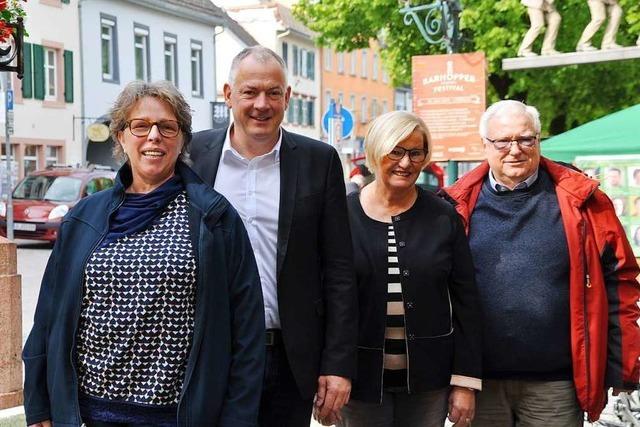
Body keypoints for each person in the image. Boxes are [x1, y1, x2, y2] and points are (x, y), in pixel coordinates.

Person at [22, 81, 265, 427]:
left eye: (168, 127)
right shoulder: (83, 218)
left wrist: (237, 418)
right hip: (87, 415)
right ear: (120, 136)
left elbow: (247, 331)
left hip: (178, 417)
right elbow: (47, 316)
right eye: (140, 126)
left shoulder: (213, 218)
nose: (154, 136)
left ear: (181, 140)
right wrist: (38, 404)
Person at [441, 100, 640, 425]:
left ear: (539, 140)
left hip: (556, 384)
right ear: (485, 145)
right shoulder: (454, 206)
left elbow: (621, 281)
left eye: (525, 139)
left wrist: (622, 363)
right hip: (479, 383)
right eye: (503, 141)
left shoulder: (583, 202)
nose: (514, 150)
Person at [189, 46, 357, 426]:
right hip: (209, 351)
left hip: (288, 357)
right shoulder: (192, 155)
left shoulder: (319, 161)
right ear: (229, 94)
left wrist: (337, 364)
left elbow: (339, 271)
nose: (261, 104)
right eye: (249, 92)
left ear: (288, 97)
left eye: (273, 92)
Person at [336, 111, 481, 427]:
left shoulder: (444, 217)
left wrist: (465, 380)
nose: (406, 163)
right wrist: (329, 371)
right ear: (376, 151)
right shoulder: (341, 216)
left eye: (416, 153)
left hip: (429, 381)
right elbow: (327, 301)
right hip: (358, 380)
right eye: (396, 151)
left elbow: (467, 302)